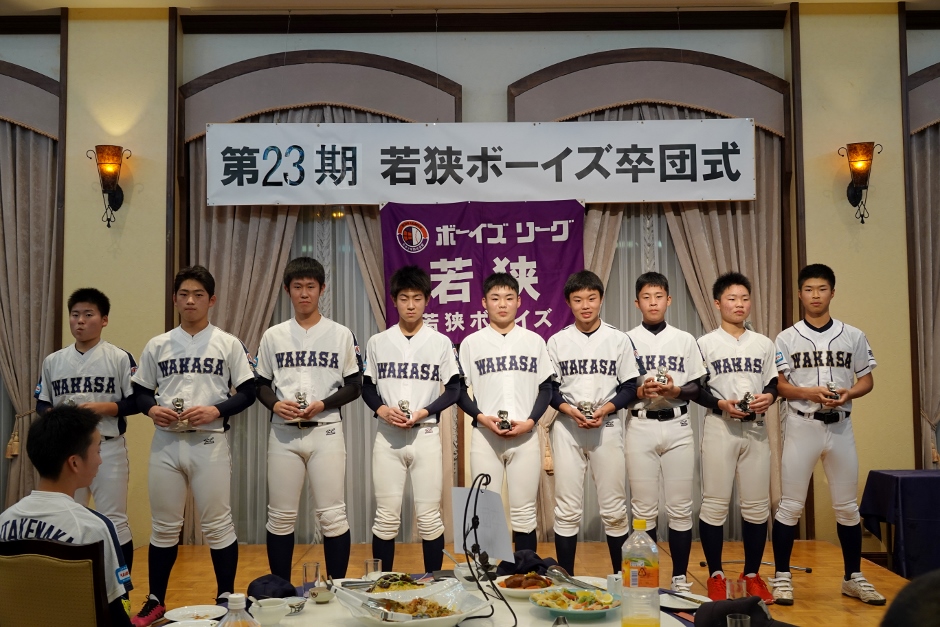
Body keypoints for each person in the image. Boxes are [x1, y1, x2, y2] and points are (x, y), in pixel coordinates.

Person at [130, 266, 257, 626]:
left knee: (218, 524)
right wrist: (151, 409)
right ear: (175, 299)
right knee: (163, 526)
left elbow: (248, 391)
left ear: (211, 300)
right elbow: (140, 391)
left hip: (209, 441)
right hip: (166, 443)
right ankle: (156, 600)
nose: (190, 300)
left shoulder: (227, 343)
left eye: (198, 294)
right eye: (184, 294)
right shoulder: (158, 344)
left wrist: (217, 409)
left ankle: (225, 597)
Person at [770, 263, 884, 606]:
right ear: (800, 294)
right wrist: (808, 392)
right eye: (809, 289)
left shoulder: (853, 335)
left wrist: (849, 393)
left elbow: (866, 379)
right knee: (790, 506)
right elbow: (780, 386)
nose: (815, 295)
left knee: (847, 508)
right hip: (802, 424)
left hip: (840, 425)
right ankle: (782, 577)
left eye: (822, 289)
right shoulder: (786, 337)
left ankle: (853, 577)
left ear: (832, 292)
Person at [256, 257, 362, 581]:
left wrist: (323, 403)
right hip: (283, 433)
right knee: (280, 517)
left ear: (322, 289)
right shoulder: (273, 335)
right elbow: (260, 384)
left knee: (333, 516)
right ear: (287, 290)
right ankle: (281, 591)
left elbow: (355, 385)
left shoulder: (340, 334)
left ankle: (337, 587)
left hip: (326, 430)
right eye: (298, 287)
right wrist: (275, 404)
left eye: (311, 287)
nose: (304, 293)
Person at [362, 265, 460, 572]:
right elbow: (366, 386)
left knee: (430, 518)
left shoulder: (440, 342)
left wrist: (424, 411)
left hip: (425, 433)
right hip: (388, 434)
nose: (411, 305)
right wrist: (382, 409)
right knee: (386, 517)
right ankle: (381, 584)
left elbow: (454, 389)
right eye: (404, 298)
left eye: (417, 298)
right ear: (394, 300)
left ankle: (434, 582)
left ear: (427, 300)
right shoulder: (378, 341)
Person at [34, 287, 139, 573]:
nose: (80, 321)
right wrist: (55, 415)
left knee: (114, 520)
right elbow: (42, 402)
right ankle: (71, 581)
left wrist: (101, 407)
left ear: (104, 320)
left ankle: (121, 588)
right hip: (66, 449)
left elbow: (136, 402)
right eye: (75, 314)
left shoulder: (119, 357)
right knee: (65, 516)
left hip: (107, 446)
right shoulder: (53, 360)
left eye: (88, 314)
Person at [0, 405, 132, 627]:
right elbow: (117, 614)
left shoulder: (4, 522)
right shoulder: (94, 527)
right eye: (98, 451)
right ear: (75, 463)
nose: (100, 461)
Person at [693, 272, 778, 603]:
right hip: (720, 426)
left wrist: (769, 397)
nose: (739, 304)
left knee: (757, 506)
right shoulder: (705, 343)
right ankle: (716, 575)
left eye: (744, 298)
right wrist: (719, 403)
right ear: (717, 303)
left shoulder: (763, 343)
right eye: (732, 298)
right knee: (714, 504)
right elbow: (695, 389)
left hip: (756, 428)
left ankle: (752, 575)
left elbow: (772, 382)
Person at [547, 270, 638, 575]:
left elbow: (630, 386)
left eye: (591, 298)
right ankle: (566, 579)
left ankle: (621, 579)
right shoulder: (557, 341)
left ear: (601, 299)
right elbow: (549, 389)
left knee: (614, 508)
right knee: (567, 508)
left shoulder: (618, 339)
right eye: (578, 299)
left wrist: (606, 409)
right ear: (568, 303)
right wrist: (568, 409)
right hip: (567, 426)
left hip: (607, 425)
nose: (585, 305)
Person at [458, 272, 554, 553]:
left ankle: (525, 571)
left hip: (525, 437)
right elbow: (459, 391)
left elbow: (546, 388)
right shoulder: (471, 342)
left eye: (509, 298)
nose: (502, 304)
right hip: (486, 437)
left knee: (524, 513)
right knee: (485, 511)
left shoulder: (534, 341)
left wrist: (531, 422)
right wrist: (481, 417)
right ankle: (489, 574)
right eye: (495, 298)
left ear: (519, 301)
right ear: (483, 302)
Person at [624, 272, 706, 593]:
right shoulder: (627, 340)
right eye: (646, 297)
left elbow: (697, 387)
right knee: (643, 510)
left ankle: (680, 578)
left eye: (659, 296)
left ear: (668, 300)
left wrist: (676, 390)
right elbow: (620, 389)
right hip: (640, 423)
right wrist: (639, 391)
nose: (653, 302)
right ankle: (644, 579)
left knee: (680, 508)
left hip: (677, 424)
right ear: (637, 303)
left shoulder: (684, 339)